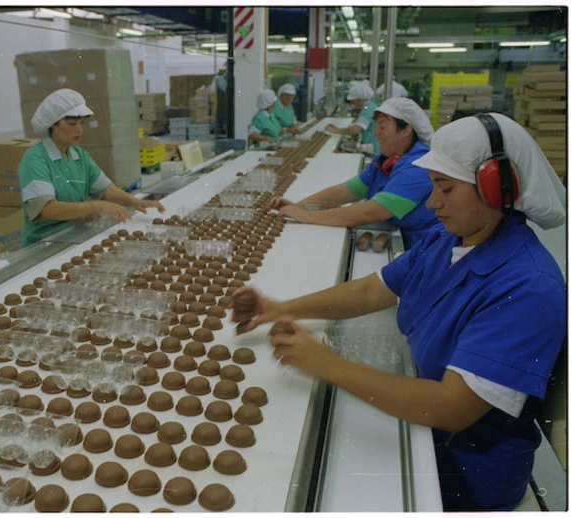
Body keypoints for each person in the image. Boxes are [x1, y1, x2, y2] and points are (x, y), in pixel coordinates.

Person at [232, 113, 566, 511]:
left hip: (464, 472)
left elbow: (451, 408)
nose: (432, 203)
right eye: (431, 187)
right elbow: (374, 290)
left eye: (445, 188)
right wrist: (281, 307)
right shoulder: (449, 239)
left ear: (496, 188)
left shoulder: (528, 287)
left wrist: (328, 365)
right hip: (420, 423)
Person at [270, 98, 440, 250]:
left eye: (382, 126)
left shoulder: (418, 167)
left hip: (422, 249)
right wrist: (298, 207)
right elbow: (345, 192)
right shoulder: (386, 161)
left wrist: (307, 216)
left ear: (406, 130)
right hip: (401, 238)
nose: (375, 133)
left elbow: (370, 213)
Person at [19, 88, 165, 247]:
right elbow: (46, 210)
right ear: (53, 125)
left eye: (82, 123)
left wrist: (133, 201)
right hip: (43, 244)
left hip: (73, 236)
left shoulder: (79, 155)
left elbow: (106, 190)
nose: (79, 129)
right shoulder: (35, 159)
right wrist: (94, 206)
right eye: (72, 123)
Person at [324, 81, 379, 155]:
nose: (353, 103)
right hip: (372, 147)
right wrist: (355, 145)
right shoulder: (369, 106)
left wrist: (336, 131)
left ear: (359, 99)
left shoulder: (368, 109)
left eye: (353, 100)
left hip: (375, 151)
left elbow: (354, 130)